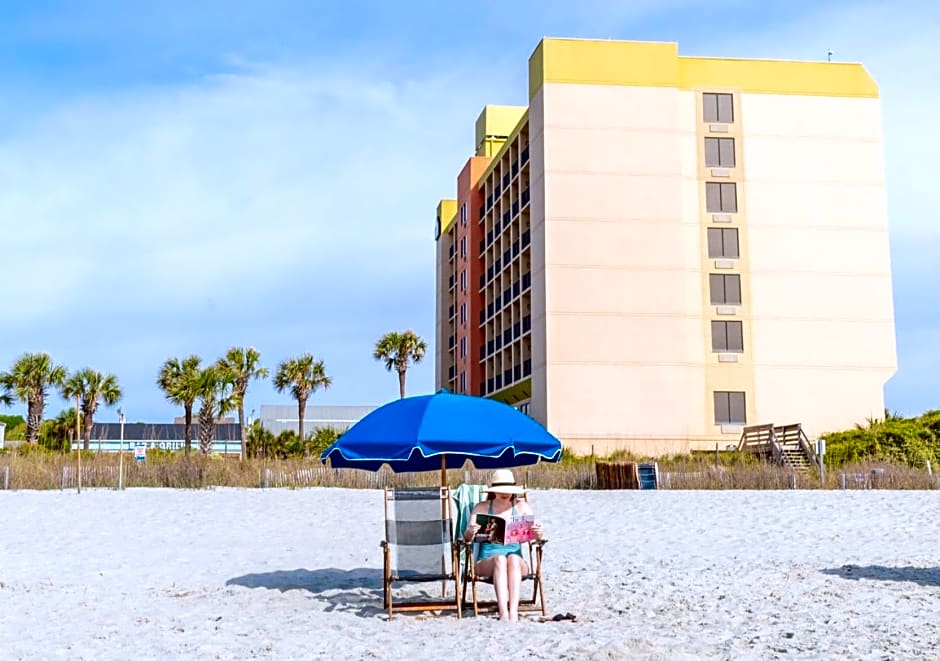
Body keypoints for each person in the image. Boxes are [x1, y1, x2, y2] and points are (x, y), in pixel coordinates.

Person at [462, 469, 543, 621]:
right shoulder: (482, 508)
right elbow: (466, 539)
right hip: (487, 561)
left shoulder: (522, 507)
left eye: (509, 491)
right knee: (500, 559)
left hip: (516, 562)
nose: (505, 494)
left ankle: (513, 611)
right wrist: (471, 532)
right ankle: (503, 612)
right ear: (494, 491)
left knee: (511, 558)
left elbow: (537, 539)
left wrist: (538, 532)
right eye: (501, 491)